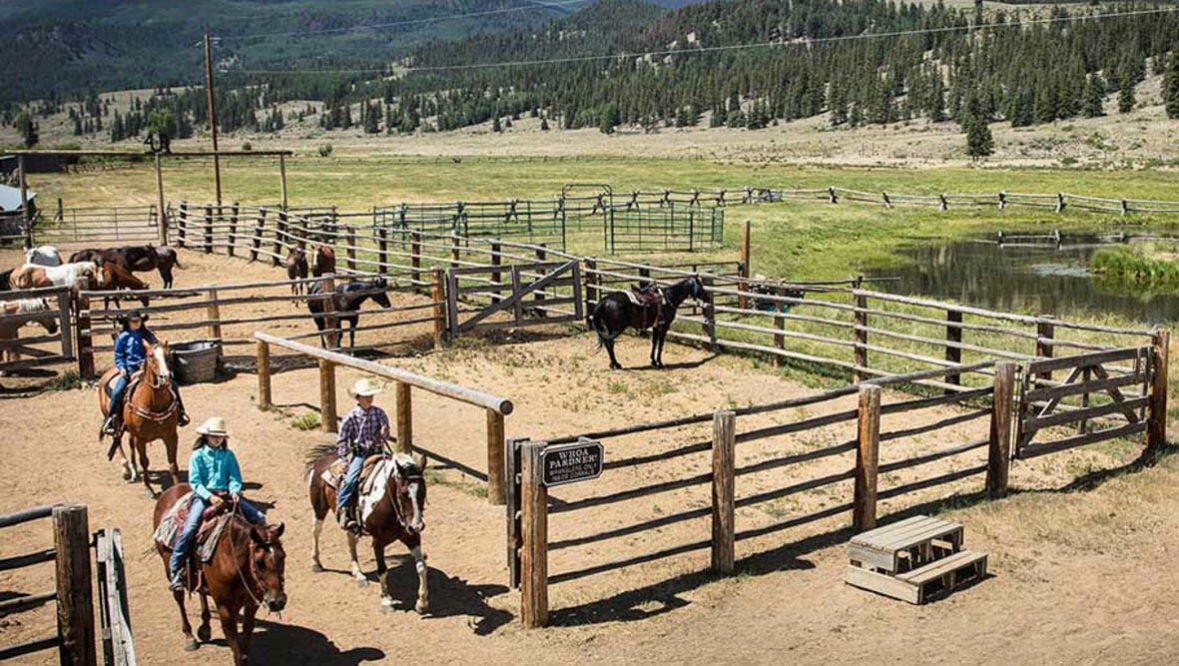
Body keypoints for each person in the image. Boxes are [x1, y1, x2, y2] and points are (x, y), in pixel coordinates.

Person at [169, 417, 266, 591]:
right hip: (203, 498)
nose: (217, 439)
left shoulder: (228, 456)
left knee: (259, 517)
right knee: (190, 528)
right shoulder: (197, 456)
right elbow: (195, 482)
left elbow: (234, 477)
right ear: (206, 436)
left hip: (227, 495)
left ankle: (263, 562)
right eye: (214, 436)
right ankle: (176, 568)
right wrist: (210, 497)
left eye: (220, 436)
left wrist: (234, 490)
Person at [103, 311, 189, 435]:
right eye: (133, 321)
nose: (136, 324)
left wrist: (160, 349)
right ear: (128, 323)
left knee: (173, 385)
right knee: (117, 391)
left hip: (147, 369)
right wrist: (122, 368)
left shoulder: (147, 335)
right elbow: (119, 355)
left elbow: (155, 349)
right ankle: (111, 418)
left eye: (138, 321)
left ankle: (180, 413)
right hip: (130, 369)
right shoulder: (122, 337)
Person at [335, 378, 390, 533]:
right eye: (366, 396)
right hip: (361, 454)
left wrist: (385, 431)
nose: (369, 398)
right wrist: (344, 459)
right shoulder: (350, 417)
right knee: (351, 480)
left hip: (378, 451)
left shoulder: (379, 413)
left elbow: (386, 429)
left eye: (371, 395)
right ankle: (343, 508)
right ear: (358, 397)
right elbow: (342, 440)